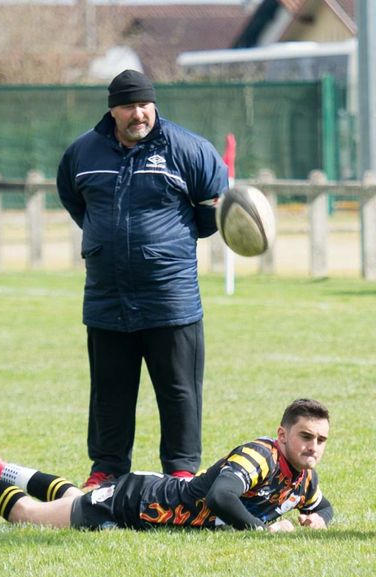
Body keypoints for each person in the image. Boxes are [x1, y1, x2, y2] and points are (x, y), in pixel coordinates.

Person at [56, 70, 229, 489]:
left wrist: (163, 244)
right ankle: (106, 469)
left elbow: (215, 208)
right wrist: (108, 242)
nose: (139, 114)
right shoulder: (83, 153)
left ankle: (182, 471)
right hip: (106, 296)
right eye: (129, 106)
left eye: (145, 105)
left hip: (170, 295)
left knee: (179, 391)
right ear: (112, 109)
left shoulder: (188, 149)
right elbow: (75, 202)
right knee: (109, 392)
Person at [0, 399, 333, 533]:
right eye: (305, 437)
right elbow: (220, 497)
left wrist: (318, 519)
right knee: (28, 516)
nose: (313, 447)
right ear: (282, 435)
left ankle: (3, 469)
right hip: (130, 504)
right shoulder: (261, 455)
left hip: (142, 495)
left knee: (70, 498)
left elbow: (323, 506)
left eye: (320, 441)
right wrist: (261, 531)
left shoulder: (302, 477)